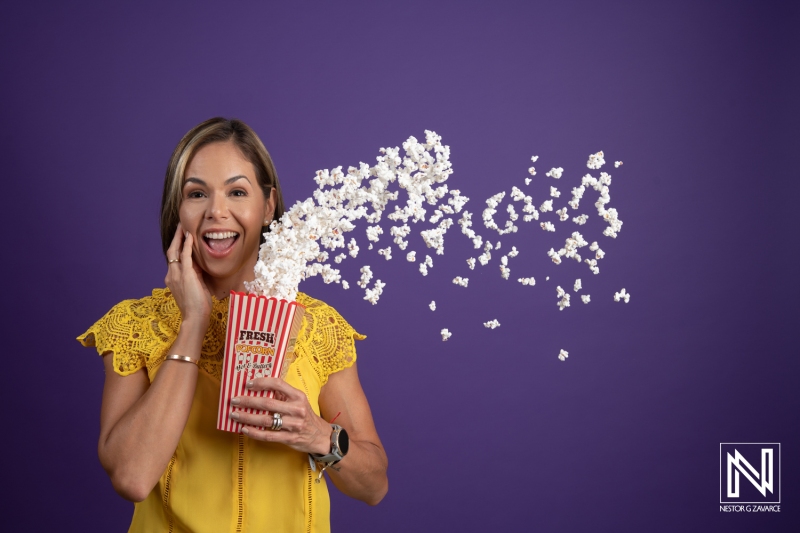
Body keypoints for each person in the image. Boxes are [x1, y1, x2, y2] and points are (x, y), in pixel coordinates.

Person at [77, 117, 388, 532]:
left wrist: (318, 436)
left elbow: (374, 486)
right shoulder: (136, 325)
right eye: (197, 193)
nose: (216, 212)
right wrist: (193, 322)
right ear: (178, 211)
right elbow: (132, 477)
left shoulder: (318, 326)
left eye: (237, 191)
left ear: (269, 205)